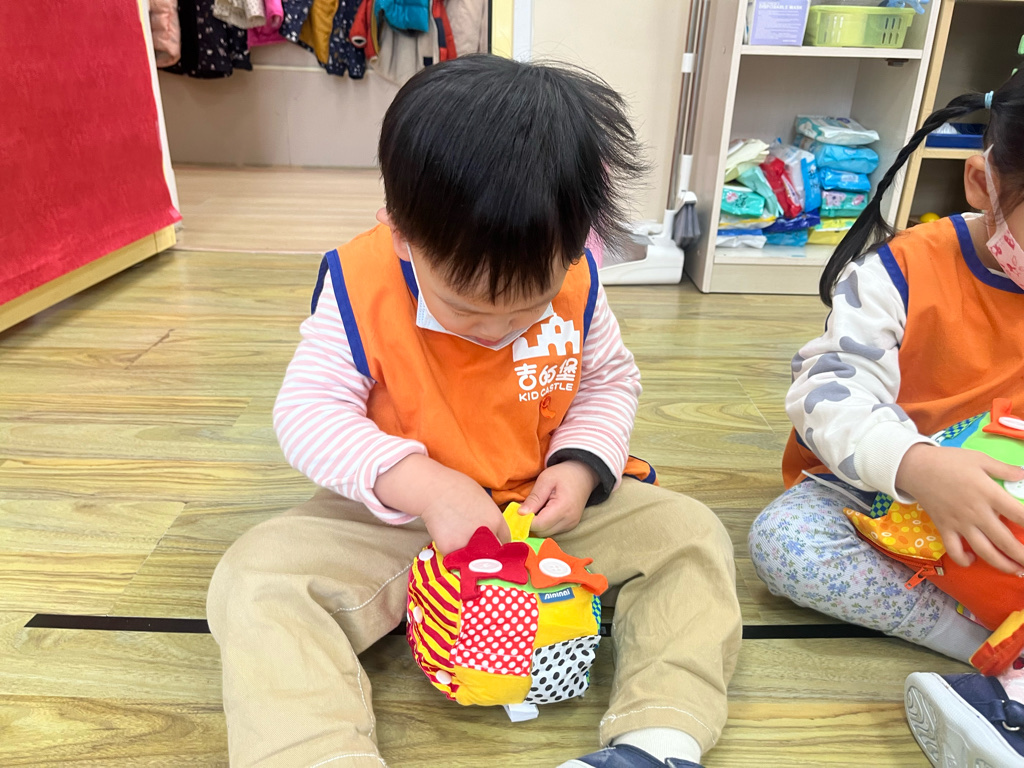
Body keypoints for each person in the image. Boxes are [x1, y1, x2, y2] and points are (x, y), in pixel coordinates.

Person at [206, 54, 741, 768]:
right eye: (466, 308)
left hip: (536, 514)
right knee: (257, 578)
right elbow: (308, 413)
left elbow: (608, 383)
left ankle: (657, 741)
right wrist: (425, 486)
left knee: (690, 535)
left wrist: (582, 466)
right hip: (399, 522)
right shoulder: (360, 286)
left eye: (528, 308)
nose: (498, 331)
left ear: (575, 243)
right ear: (401, 234)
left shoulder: (577, 277)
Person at [748, 71, 1024, 767]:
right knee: (786, 544)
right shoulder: (897, 273)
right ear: (983, 184)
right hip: (873, 492)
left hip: (1004, 503)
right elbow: (827, 392)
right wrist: (917, 465)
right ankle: (996, 650)